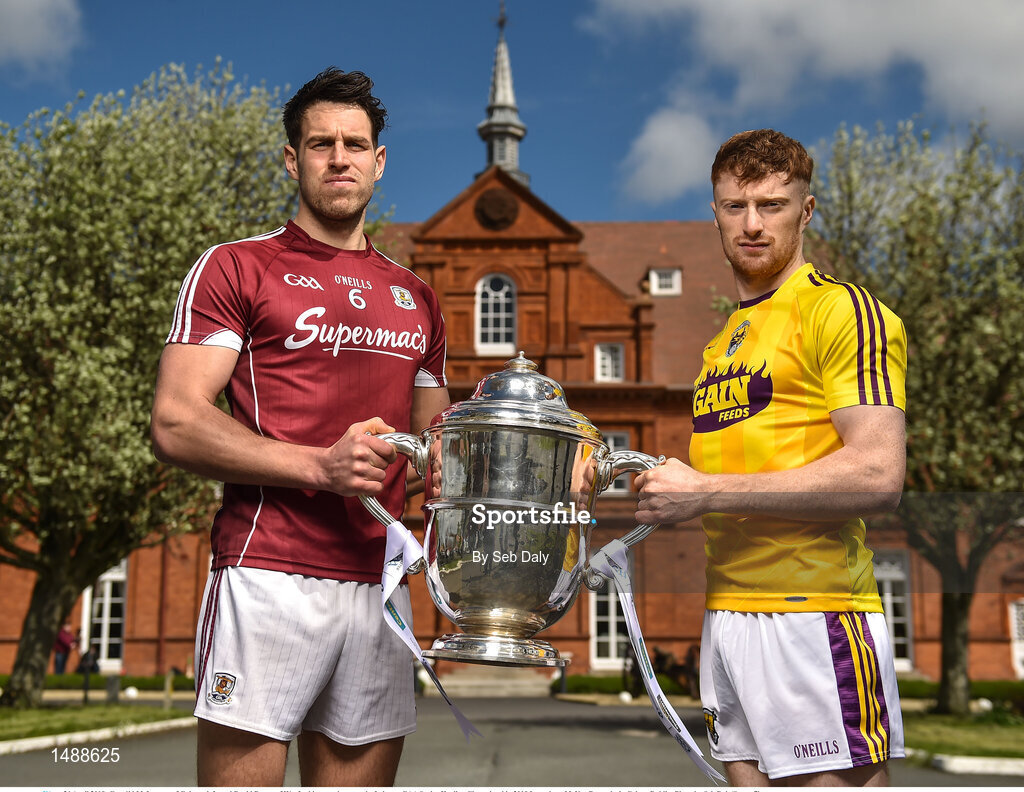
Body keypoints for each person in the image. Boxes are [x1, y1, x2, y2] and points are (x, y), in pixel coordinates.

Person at [151, 67, 449, 787]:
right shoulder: (236, 268)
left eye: (355, 144)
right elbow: (176, 421)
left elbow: (440, 452)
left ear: (379, 161)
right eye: (321, 144)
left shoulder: (419, 298)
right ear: (293, 159)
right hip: (267, 574)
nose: (339, 158)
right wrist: (319, 466)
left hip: (378, 589)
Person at [635, 129, 907, 787]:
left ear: (805, 211)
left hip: (815, 612)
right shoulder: (722, 344)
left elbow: (877, 473)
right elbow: (727, 472)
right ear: (717, 213)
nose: (752, 224)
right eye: (735, 206)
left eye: (773, 205)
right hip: (728, 616)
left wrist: (706, 493)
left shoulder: (842, 312)